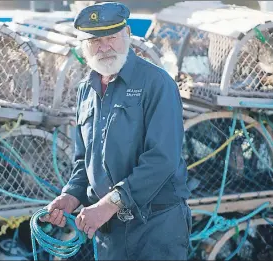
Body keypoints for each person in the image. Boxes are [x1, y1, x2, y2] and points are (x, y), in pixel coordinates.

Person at [40, 2, 192, 260]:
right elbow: (84, 161)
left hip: (155, 227)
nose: (105, 47)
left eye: (112, 37)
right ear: (83, 45)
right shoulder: (85, 90)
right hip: (108, 232)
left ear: (128, 34)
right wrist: (71, 196)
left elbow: (162, 159)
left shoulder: (157, 83)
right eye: (95, 41)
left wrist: (109, 204)